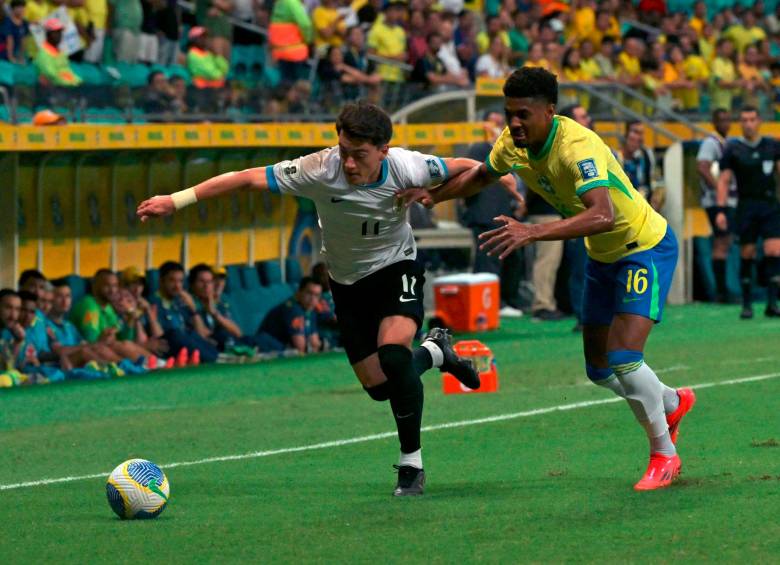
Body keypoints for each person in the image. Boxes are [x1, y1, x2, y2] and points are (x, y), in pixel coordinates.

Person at [137, 101, 494, 497]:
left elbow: (465, 166)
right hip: (346, 283)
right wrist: (177, 199)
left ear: (383, 151)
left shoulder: (408, 166)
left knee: (394, 356)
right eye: (344, 151)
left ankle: (411, 465)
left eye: (359, 155)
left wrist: (449, 189)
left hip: (397, 267)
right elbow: (245, 178)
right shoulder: (319, 169)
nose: (349, 163)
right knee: (379, 387)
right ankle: (436, 352)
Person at [400, 67, 696, 491]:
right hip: (602, 254)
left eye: (524, 114)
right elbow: (482, 175)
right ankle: (671, 400)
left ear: (550, 112)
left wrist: (533, 231)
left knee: (625, 357)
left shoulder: (578, 147)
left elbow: (603, 214)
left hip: (642, 247)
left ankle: (664, 455)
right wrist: (432, 195)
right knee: (598, 369)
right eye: (509, 114)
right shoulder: (512, 142)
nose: (515, 123)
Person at [716, 106, 780, 320]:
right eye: (744, 119)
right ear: (740, 122)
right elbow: (723, 181)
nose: (748, 124)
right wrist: (721, 210)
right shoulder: (733, 149)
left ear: (759, 121)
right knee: (748, 253)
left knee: (774, 251)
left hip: (770, 205)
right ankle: (747, 304)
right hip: (746, 206)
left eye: (752, 119)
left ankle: (772, 303)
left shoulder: (772, 145)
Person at [461, 111, 525, 317]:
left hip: (503, 215)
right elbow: (471, 179)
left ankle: (502, 301)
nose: (497, 127)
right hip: (485, 214)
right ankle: (487, 305)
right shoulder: (479, 149)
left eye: (500, 123)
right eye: (493, 122)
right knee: (487, 260)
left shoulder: (509, 151)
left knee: (508, 260)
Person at [697, 109, 736, 303]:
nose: (725, 123)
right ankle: (720, 292)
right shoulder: (710, 143)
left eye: (728, 119)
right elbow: (702, 167)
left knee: (726, 241)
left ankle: (722, 290)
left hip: (726, 200)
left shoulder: (726, 142)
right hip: (715, 201)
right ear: (714, 122)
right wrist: (718, 188)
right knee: (721, 242)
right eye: (721, 119)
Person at [149, 261, 219, 364]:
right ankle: (215, 358)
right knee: (176, 334)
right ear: (161, 281)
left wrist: (193, 309)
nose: (177, 286)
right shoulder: (153, 302)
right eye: (172, 281)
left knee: (191, 334)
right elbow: (159, 336)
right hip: (165, 345)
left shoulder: (180, 302)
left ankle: (216, 356)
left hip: (184, 344)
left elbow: (201, 334)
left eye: (180, 281)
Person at [256, 276, 323, 354]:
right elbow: (300, 346)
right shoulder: (293, 309)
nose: (313, 299)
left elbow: (314, 343)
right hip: (264, 347)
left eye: (317, 295)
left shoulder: (310, 309)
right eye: (309, 293)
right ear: (299, 292)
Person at [188, 263, 242, 350]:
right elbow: (202, 335)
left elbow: (238, 333)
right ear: (192, 284)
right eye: (201, 282)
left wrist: (215, 314)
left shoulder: (218, 303)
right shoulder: (190, 303)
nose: (206, 286)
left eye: (209, 282)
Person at [620, 121, 662, 212]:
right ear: (626, 135)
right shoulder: (616, 158)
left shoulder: (647, 156)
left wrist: (656, 198)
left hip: (645, 208)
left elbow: (657, 182)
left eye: (641, 134)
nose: (639, 138)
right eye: (635, 132)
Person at [34, 18, 82, 86]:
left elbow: (68, 71)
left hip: (65, 89)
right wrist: (72, 84)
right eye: (56, 32)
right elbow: (53, 77)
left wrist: (78, 82)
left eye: (60, 32)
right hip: (52, 92)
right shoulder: (43, 54)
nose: (59, 35)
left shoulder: (61, 53)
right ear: (48, 34)